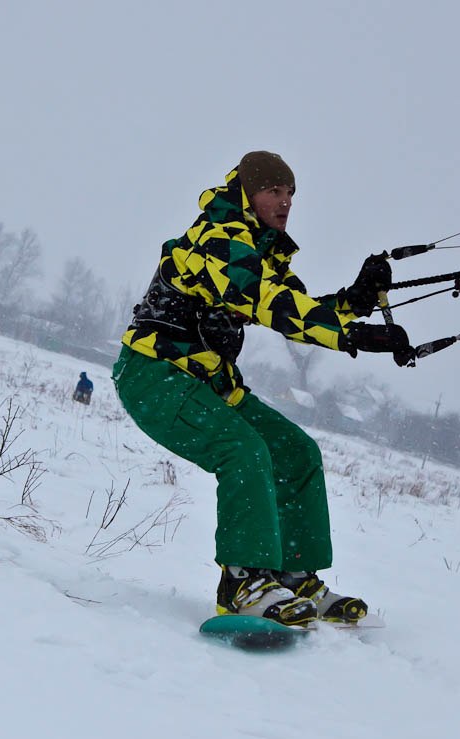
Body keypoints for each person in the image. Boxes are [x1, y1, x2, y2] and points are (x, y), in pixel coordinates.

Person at [112, 151, 414, 627]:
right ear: (247, 193)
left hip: (208, 383)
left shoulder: (258, 248)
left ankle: (292, 578)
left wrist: (353, 304)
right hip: (155, 376)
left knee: (296, 452)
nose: (285, 201)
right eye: (274, 190)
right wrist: (349, 337)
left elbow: (294, 309)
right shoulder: (216, 239)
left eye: (291, 192)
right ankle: (243, 581)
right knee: (244, 449)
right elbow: (266, 300)